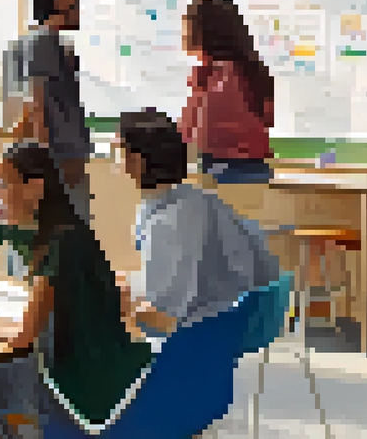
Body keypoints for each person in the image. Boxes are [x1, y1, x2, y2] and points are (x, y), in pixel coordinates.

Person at [0, 142, 154, 439]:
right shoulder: (17, 220)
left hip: (79, 376)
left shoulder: (60, 242)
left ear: (35, 188)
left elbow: (23, 338)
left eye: (3, 184)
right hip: (76, 352)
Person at [115, 109, 281, 337]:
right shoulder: (198, 200)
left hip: (199, 342)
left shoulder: (166, 224)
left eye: (118, 152)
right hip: (237, 321)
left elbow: (164, 314)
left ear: (135, 161)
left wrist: (123, 309)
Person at [16, 0, 94, 225]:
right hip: (61, 149)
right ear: (56, 10)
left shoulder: (54, 44)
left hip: (66, 146)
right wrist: (45, 153)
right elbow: (38, 100)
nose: (78, 13)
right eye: (73, 7)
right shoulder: (43, 42)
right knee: (69, 218)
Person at [181, 0, 277, 184]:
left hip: (222, 172)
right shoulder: (254, 71)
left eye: (187, 29)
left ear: (203, 33)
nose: (183, 35)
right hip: (258, 170)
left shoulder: (213, 73)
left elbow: (194, 130)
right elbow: (268, 120)